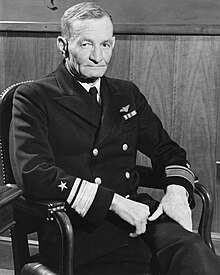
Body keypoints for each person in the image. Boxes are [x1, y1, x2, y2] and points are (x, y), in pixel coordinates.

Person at [9, 2, 220, 274]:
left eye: (106, 45)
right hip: (79, 228)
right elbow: (34, 174)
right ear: (63, 45)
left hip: (141, 215)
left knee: (195, 255)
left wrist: (178, 190)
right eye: (86, 45)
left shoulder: (126, 93)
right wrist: (115, 203)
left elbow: (168, 151)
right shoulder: (33, 97)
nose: (99, 56)